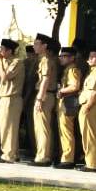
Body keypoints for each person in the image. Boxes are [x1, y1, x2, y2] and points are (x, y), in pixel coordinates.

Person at [30, 34, 59, 167]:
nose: (34, 46)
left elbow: (45, 80)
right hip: (46, 94)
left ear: (44, 46)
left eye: (37, 43)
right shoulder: (43, 59)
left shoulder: (46, 60)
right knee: (42, 127)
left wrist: (40, 99)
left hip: (45, 95)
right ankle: (44, 155)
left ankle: (43, 157)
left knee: (42, 127)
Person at [0, 39, 23, 163]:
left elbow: (5, 77)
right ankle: (13, 153)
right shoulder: (7, 61)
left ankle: (8, 155)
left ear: (9, 51)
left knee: (9, 127)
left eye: (2, 49)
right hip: (5, 98)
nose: (0, 52)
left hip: (12, 98)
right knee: (6, 126)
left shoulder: (17, 62)